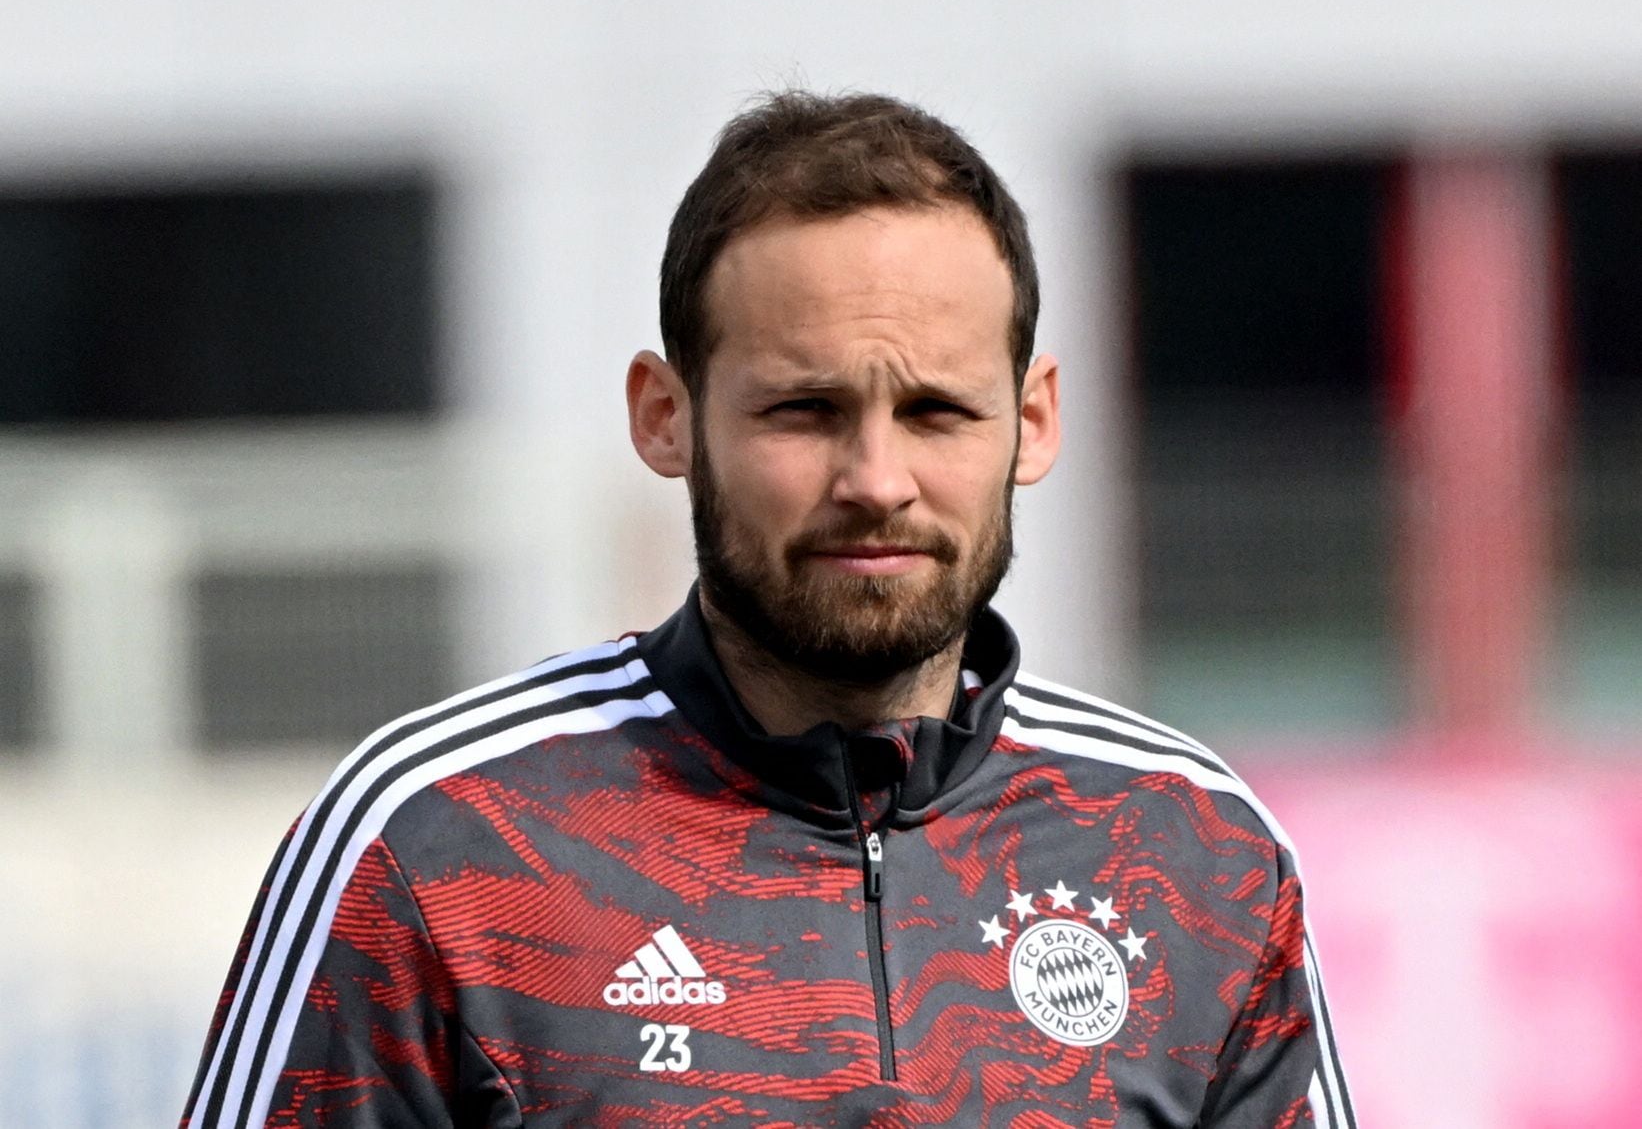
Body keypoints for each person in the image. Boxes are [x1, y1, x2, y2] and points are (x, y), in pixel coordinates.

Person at [182, 90, 1354, 1128]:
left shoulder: (1198, 850)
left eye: (938, 412)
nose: (876, 480)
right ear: (665, 417)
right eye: (803, 411)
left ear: (1032, 423)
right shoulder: (438, 838)